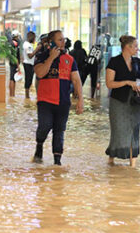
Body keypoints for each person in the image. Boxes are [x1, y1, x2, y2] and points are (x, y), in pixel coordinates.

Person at [33, 30, 84, 166]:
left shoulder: (69, 59)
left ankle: (57, 163)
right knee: (45, 126)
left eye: (64, 39)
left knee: (59, 130)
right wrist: (51, 58)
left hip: (63, 102)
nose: (63, 42)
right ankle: (39, 144)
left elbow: (76, 80)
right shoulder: (41, 56)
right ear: (51, 42)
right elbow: (40, 73)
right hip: (45, 101)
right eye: (60, 40)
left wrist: (80, 100)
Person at [105, 35, 140, 168]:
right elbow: (109, 83)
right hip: (118, 101)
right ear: (127, 47)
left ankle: (132, 164)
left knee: (134, 130)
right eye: (135, 46)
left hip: (135, 101)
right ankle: (112, 157)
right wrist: (127, 82)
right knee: (118, 130)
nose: (137, 48)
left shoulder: (138, 62)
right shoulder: (114, 62)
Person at [23, 31, 41, 98]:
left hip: (29, 63)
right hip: (28, 64)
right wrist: (37, 49)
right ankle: (27, 96)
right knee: (28, 80)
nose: (35, 39)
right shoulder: (28, 45)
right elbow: (30, 55)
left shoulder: (27, 44)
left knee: (29, 80)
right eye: (34, 38)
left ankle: (27, 96)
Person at [9, 30, 21, 97]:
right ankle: (12, 94)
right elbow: (15, 55)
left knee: (12, 78)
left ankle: (12, 94)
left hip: (12, 62)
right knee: (12, 79)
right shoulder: (15, 44)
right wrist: (18, 65)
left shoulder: (11, 43)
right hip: (14, 63)